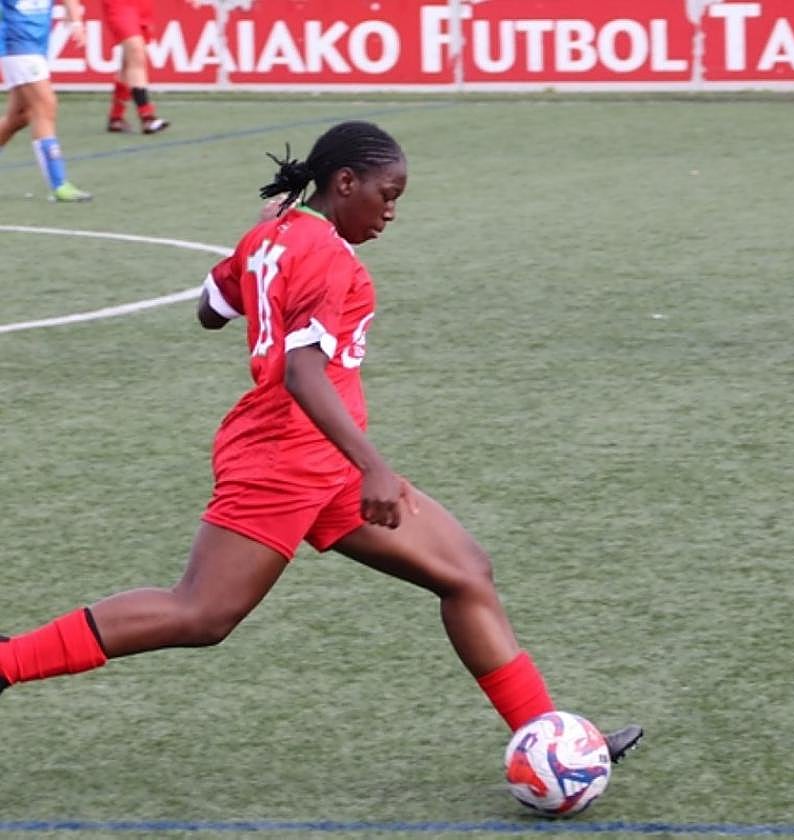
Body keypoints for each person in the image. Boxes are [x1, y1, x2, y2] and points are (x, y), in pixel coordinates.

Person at [0, 121, 643, 768]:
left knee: (466, 572)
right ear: (344, 183)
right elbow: (301, 372)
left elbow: (209, 308)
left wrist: (261, 245)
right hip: (285, 455)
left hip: (319, 456)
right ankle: (6, 661)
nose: (391, 211)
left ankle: (550, 742)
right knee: (200, 614)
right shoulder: (325, 253)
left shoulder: (275, 236)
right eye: (386, 195)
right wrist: (376, 468)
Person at [0, 0, 92, 201]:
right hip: (16, 44)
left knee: (19, 117)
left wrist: (76, 22)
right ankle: (59, 184)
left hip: (36, 46)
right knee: (45, 105)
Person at [101, 0, 167, 133]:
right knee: (136, 52)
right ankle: (147, 116)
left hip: (143, 5)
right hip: (119, 5)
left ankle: (116, 117)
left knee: (130, 59)